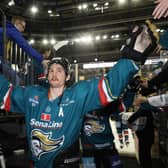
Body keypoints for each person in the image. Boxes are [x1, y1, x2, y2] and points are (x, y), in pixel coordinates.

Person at [0, 20, 159, 168]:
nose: (55, 73)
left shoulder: (78, 95)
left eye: (60, 70)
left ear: (68, 76)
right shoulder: (31, 95)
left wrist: (131, 58)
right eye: (52, 70)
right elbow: (4, 94)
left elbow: (108, 87)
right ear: (46, 75)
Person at [0, 16, 43, 85]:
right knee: (17, 80)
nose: (23, 30)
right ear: (17, 23)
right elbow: (25, 46)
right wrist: (41, 59)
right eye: (23, 27)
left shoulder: (6, 30)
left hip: (2, 59)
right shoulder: (11, 30)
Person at [127, 102, 162, 168]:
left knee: (143, 153)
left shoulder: (143, 110)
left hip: (143, 136)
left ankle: (144, 165)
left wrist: (132, 125)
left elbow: (130, 120)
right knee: (147, 153)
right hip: (149, 135)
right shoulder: (149, 111)